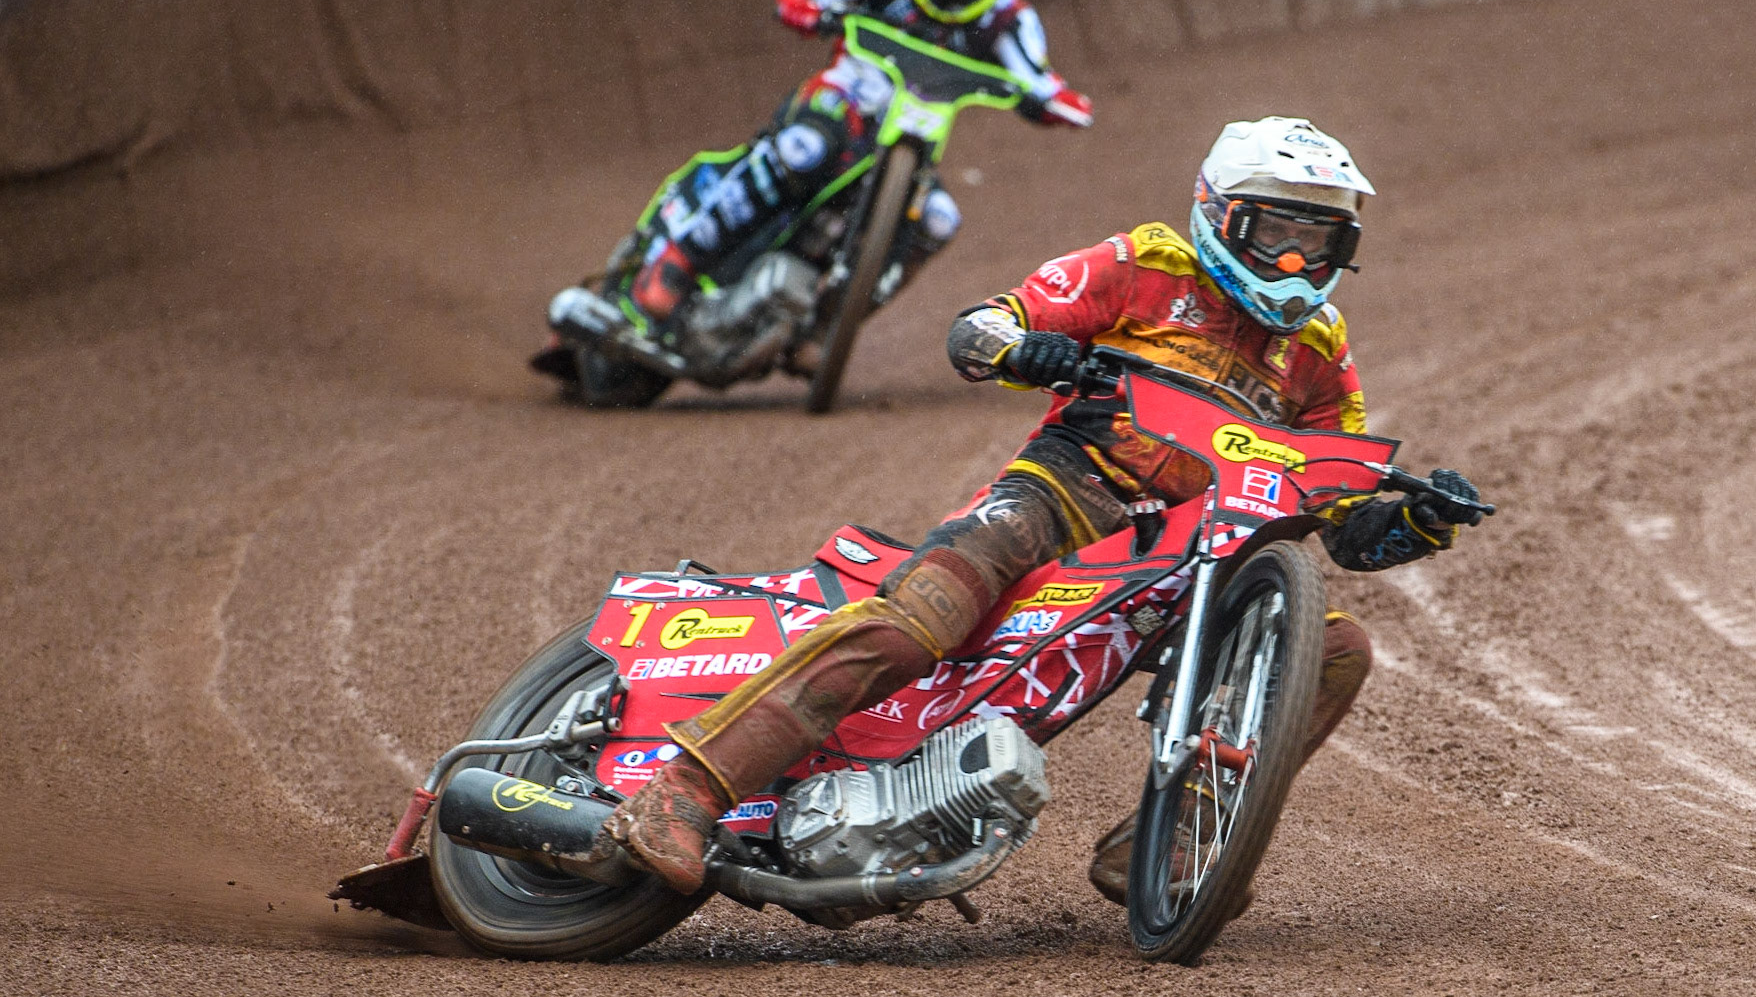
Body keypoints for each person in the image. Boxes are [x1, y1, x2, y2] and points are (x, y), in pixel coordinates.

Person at [587, 117, 1486, 908]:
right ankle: (684, 792)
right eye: (1277, 232)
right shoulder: (1143, 266)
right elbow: (981, 327)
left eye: (1318, 241)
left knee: (1334, 649)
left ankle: (1170, 844)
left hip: (1201, 554)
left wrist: (1417, 521)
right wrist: (1030, 347)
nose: (1295, 261)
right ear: (1219, 215)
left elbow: (1345, 517)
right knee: (918, 619)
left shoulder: (1321, 352)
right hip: (1064, 492)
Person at [622, 0, 1092, 334]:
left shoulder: (1006, 16)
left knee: (938, 219)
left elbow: (1042, 79)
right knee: (806, 149)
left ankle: (828, 328)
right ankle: (678, 262)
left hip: (914, 139)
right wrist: (808, 4)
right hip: (841, 103)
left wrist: (1058, 104)